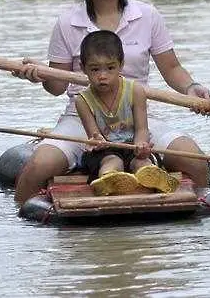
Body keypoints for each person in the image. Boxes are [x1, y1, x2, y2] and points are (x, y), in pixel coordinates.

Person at [13, 0, 210, 205]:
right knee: (37, 168)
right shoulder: (67, 22)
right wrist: (39, 77)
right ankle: (24, 221)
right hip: (82, 120)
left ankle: (198, 212)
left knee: (196, 162)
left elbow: (172, 68)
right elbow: (57, 87)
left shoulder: (147, 15)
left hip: (139, 118)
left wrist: (192, 88)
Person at [77, 30, 180, 196]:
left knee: (143, 161)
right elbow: (94, 135)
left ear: (121, 65)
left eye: (110, 68)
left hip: (133, 146)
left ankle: (154, 177)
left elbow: (141, 129)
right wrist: (97, 141)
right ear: (83, 68)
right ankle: (110, 179)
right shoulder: (82, 100)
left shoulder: (135, 91)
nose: (103, 76)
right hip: (105, 150)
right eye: (95, 69)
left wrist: (141, 145)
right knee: (112, 161)